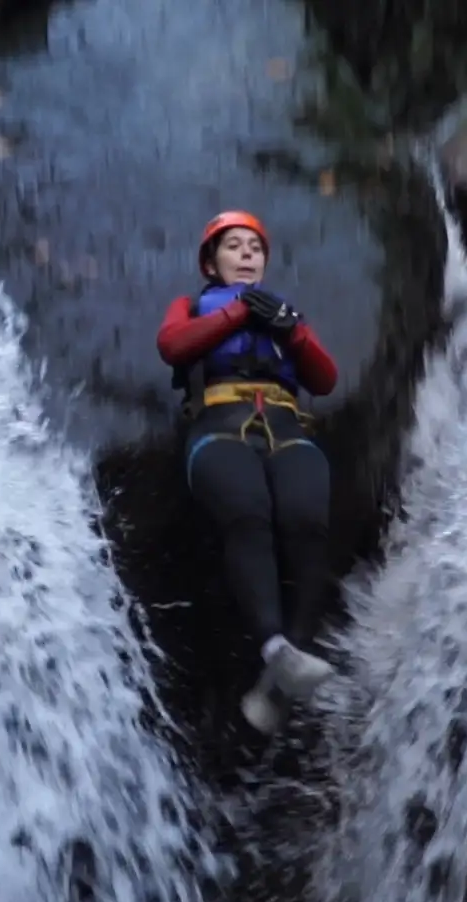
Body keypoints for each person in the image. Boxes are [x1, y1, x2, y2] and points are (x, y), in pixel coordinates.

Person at [155, 210, 341, 733]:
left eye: (254, 249)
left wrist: (293, 333)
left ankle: (288, 663)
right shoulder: (191, 306)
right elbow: (172, 345)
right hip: (218, 423)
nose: (246, 255)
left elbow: (324, 379)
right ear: (211, 264)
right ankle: (275, 646)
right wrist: (238, 316)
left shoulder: (285, 314)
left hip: (284, 425)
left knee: (308, 521)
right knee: (247, 512)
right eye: (233, 247)